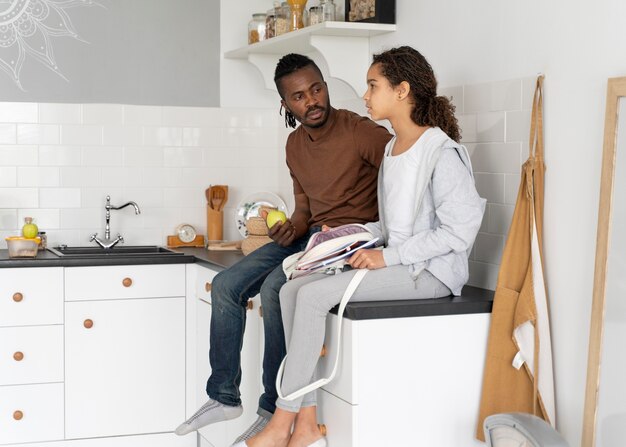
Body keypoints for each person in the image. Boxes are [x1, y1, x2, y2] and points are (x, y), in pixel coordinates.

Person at [237, 46, 486, 447]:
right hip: (401, 266)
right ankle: (307, 422)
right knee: (290, 289)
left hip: (433, 274)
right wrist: (338, 239)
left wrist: (385, 256)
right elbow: (391, 226)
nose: (365, 96)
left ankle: (282, 421)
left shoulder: (441, 152)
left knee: (315, 297)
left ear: (402, 90)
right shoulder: (393, 150)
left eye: (373, 86)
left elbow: (460, 233)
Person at [174, 54, 392, 445]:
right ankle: (223, 395)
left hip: (347, 242)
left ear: (325, 86)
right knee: (226, 284)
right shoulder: (294, 145)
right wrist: (290, 226)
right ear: (285, 104)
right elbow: (305, 208)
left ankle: (274, 406)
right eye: (298, 96)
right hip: (310, 237)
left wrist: (383, 236)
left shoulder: (360, 132)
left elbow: (401, 174)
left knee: (276, 288)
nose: (311, 101)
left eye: (316, 89)